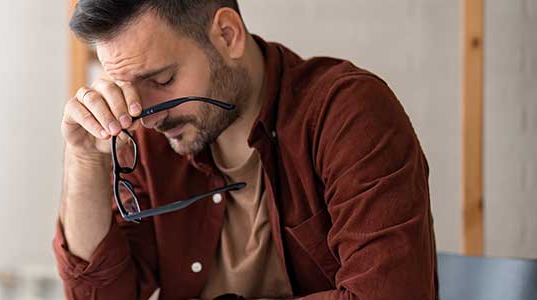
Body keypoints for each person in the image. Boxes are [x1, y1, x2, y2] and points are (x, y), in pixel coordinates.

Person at [53, 1, 438, 299]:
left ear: (227, 34)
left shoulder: (347, 115)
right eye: (126, 87)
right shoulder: (147, 139)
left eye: (162, 79)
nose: (147, 115)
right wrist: (84, 158)